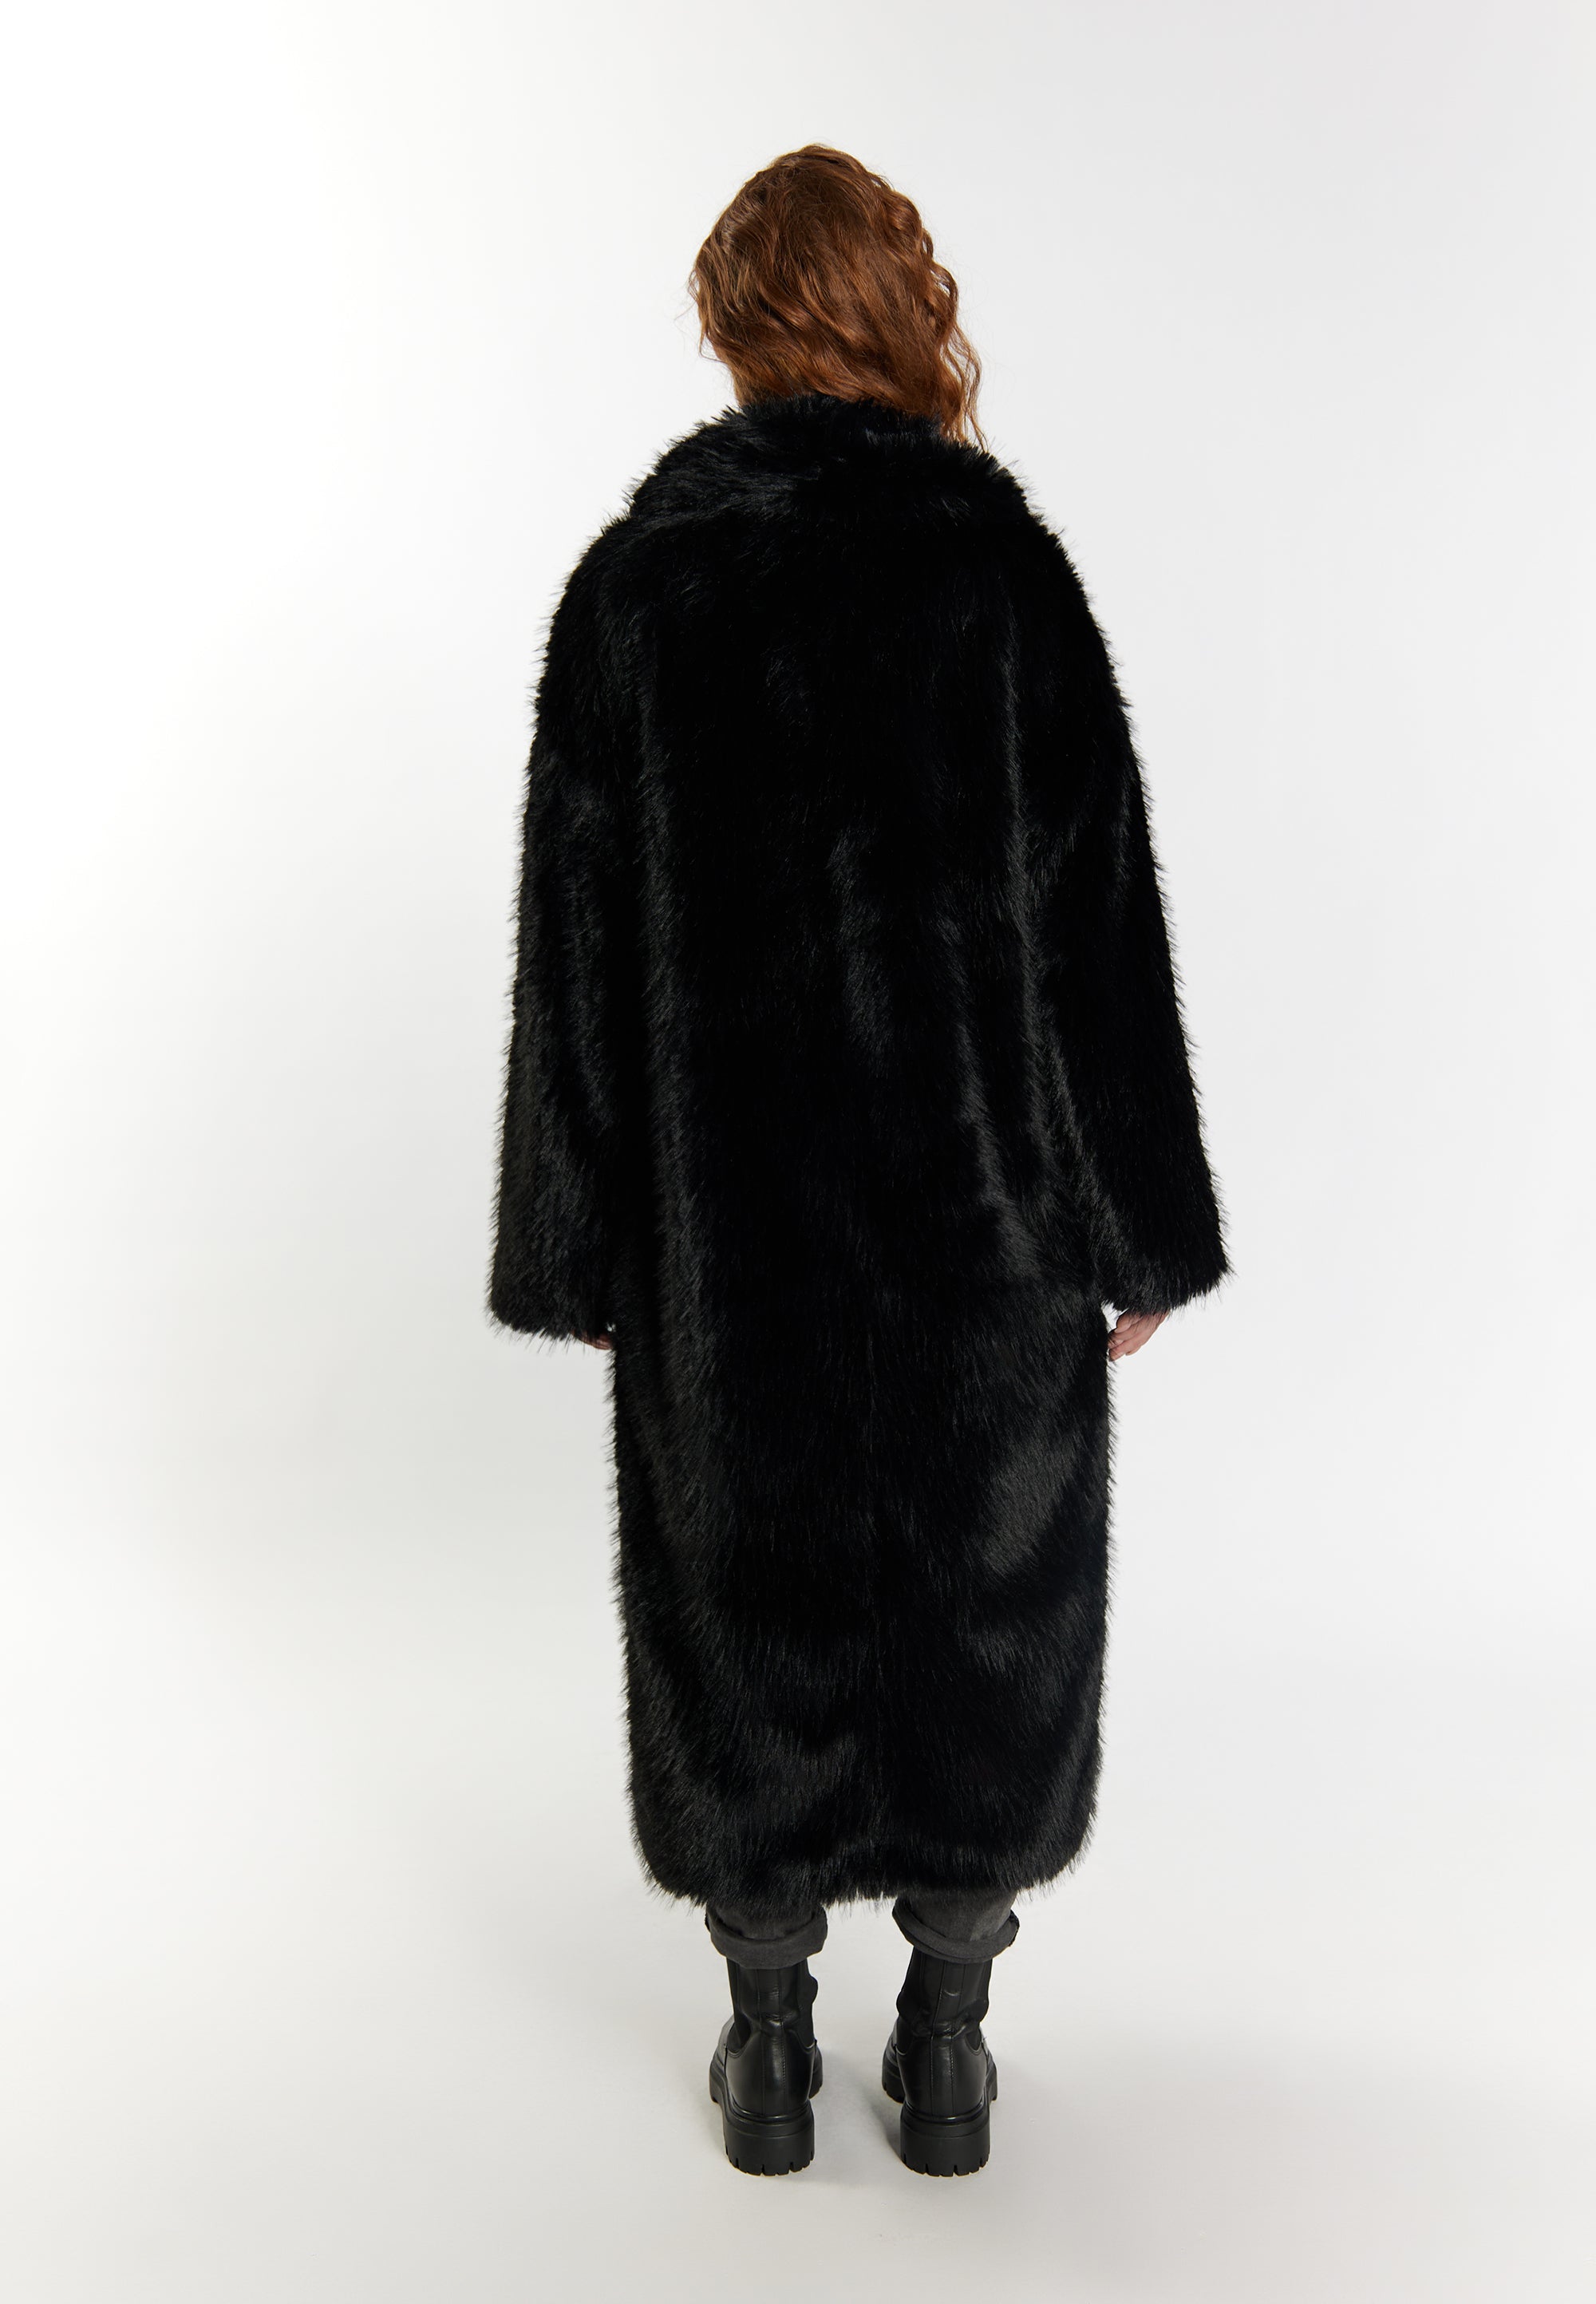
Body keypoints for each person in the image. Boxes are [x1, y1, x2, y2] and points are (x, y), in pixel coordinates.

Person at [488, 145, 1227, 2179]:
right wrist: (1140, 1228)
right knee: (984, 1618)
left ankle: (763, 2045)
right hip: (983, 1230)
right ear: (906, 310)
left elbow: (574, 953)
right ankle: (953, 2039)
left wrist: (579, 1239)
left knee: (744, 1617)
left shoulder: (640, 588)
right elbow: (1096, 934)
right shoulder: (1000, 572)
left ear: (735, 331)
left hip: (730, 1255)